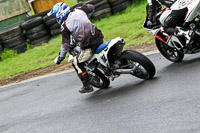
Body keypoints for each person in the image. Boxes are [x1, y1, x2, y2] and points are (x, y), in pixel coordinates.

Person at [48, 2, 104, 93]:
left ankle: (87, 86)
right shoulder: (79, 10)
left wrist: (61, 58)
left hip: (88, 46)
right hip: (99, 37)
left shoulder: (64, 26)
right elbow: (91, 7)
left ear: (60, 14)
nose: (55, 18)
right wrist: (86, 18)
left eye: (55, 16)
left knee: (76, 62)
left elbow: (65, 44)